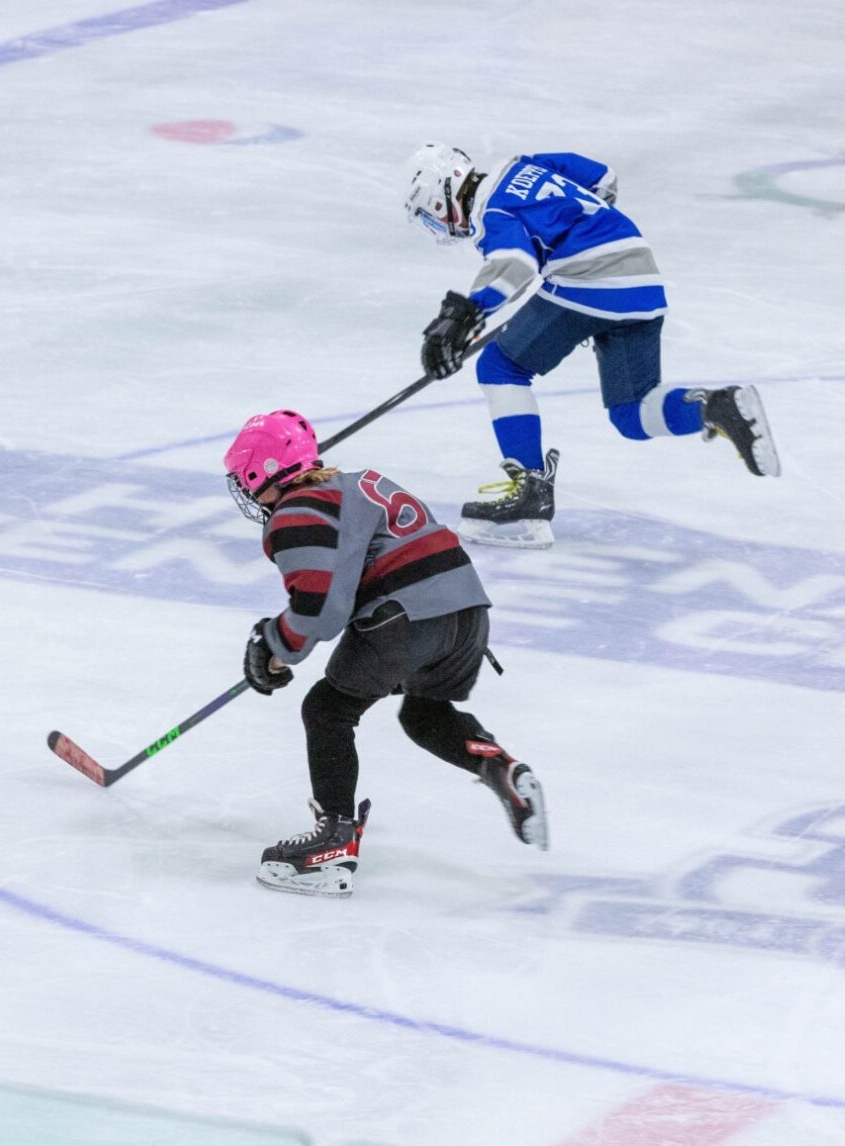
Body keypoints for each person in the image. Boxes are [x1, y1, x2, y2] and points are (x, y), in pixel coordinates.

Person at [223, 409, 548, 898]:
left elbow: (319, 614)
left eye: (245, 481)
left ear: (262, 472)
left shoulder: (297, 512)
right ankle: (500, 768)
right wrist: (281, 645)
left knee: (327, 710)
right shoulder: (361, 483)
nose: (246, 494)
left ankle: (332, 845)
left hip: (405, 619)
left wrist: (271, 642)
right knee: (424, 713)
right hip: (468, 615)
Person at [404, 143, 782, 549]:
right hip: (642, 279)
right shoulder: (528, 165)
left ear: (442, 199)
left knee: (500, 367)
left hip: (590, 283)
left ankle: (530, 496)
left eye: (431, 218)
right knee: (632, 414)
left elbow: (514, 264)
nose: (441, 229)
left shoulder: (492, 210)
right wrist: (574, 236)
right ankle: (718, 407)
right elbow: (603, 178)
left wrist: (464, 316)